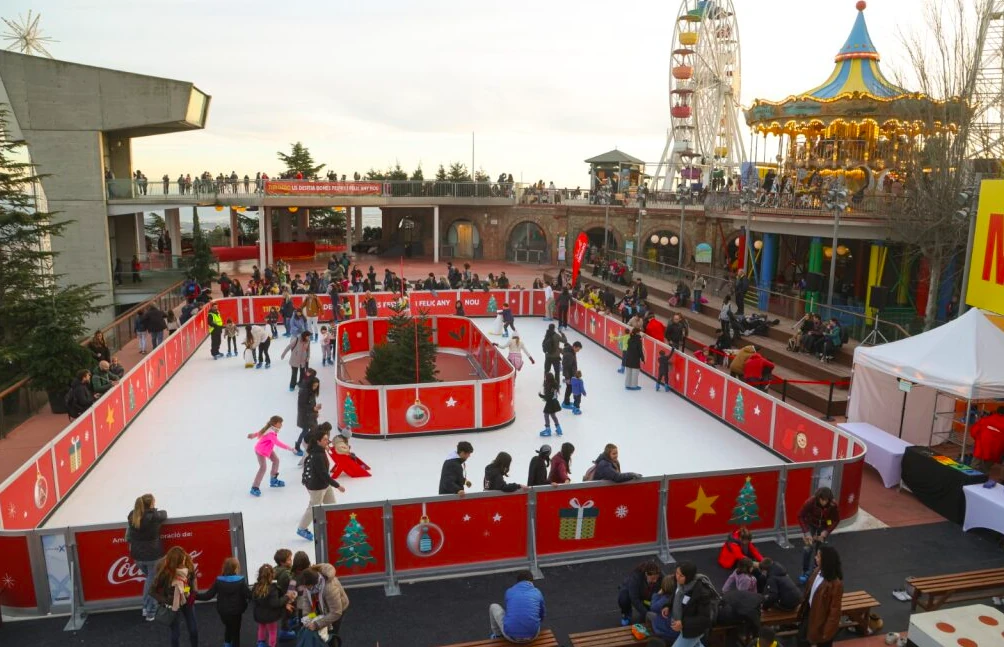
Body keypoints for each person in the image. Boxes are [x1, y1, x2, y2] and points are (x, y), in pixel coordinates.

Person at [296, 427, 345, 541]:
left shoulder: (319, 450)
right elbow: (323, 474)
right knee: (313, 508)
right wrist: (338, 486)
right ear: (318, 441)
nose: (327, 441)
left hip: (324, 484)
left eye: (327, 439)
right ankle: (301, 528)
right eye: (324, 439)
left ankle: (333, 525)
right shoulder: (318, 455)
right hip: (317, 487)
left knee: (332, 505)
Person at [126, 493, 167, 621]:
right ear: (151, 504)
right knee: (151, 583)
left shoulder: (133, 516)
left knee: (149, 581)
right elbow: (164, 514)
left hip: (138, 556)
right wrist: (153, 510)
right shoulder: (154, 516)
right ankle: (150, 611)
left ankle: (146, 607)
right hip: (153, 556)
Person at [196, 557, 251, 647]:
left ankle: (227, 644)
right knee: (236, 633)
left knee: (228, 627)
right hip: (236, 612)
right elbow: (249, 595)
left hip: (223, 612)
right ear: (236, 568)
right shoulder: (241, 581)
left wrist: (193, 595)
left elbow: (207, 596)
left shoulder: (218, 581)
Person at [151, 546, 199, 647]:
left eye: (184, 560)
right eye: (181, 562)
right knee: (175, 633)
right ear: (174, 563)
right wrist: (165, 600)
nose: (183, 564)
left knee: (193, 630)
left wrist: (192, 593)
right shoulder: (164, 572)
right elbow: (152, 591)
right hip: (172, 604)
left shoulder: (188, 563)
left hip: (186, 600)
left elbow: (192, 579)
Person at [659, 561, 716, 647]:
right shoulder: (679, 582)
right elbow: (675, 594)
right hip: (683, 627)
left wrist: (683, 623)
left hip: (693, 631)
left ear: (689, 576)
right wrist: (668, 605)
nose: (677, 577)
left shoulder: (701, 592)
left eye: (681, 575)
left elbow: (705, 618)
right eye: (677, 573)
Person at [797, 545, 844, 647]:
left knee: (823, 643)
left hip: (823, 619)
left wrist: (828, 632)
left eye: (818, 556)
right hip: (810, 612)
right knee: (801, 640)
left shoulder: (835, 584)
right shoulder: (817, 570)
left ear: (825, 560)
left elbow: (835, 610)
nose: (815, 558)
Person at [489, 570, 546, 642]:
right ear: (531, 582)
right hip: (533, 636)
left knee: (493, 606)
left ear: (518, 582)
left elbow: (508, 611)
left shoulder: (509, 591)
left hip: (511, 637)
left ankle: (498, 635)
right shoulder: (537, 592)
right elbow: (542, 615)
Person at [797, 487, 840, 583]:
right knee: (808, 549)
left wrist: (826, 532)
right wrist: (806, 532)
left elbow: (836, 520)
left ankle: (816, 571)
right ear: (818, 498)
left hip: (824, 526)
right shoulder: (810, 502)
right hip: (811, 525)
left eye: (826, 500)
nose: (823, 502)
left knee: (820, 551)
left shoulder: (833, 505)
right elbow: (800, 515)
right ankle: (805, 572)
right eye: (821, 500)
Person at [298, 564, 349, 643]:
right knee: (321, 631)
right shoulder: (309, 582)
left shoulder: (330, 588)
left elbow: (336, 612)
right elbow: (306, 599)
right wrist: (306, 617)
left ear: (312, 584)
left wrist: (316, 624)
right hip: (320, 608)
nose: (304, 588)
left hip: (336, 610)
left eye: (305, 586)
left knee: (331, 632)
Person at [248, 415, 294, 497]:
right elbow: (277, 443)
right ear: (276, 424)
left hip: (267, 449)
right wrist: (289, 448)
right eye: (280, 423)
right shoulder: (271, 433)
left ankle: (273, 480)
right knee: (263, 467)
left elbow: (260, 432)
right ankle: (254, 487)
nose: (281, 425)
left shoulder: (270, 429)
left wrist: (253, 435)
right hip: (260, 451)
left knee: (276, 460)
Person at [251, 563, 294, 647]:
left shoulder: (255, 586)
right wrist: (286, 597)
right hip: (271, 616)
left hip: (259, 614)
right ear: (272, 575)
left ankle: (261, 643)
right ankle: (272, 645)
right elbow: (275, 603)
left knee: (261, 628)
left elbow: (254, 600)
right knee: (272, 631)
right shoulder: (272, 589)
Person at [618, 561, 663, 625]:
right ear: (646, 574)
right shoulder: (635, 578)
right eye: (653, 578)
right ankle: (626, 614)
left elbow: (668, 586)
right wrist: (647, 613)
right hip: (631, 592)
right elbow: (634, 599)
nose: (655, 581)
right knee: (623, 598)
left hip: (648, 596)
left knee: (644, 619)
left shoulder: (661, 576)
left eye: (657, 578)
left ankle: (646, 610)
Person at [295, 376, 321, 455]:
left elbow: (312, 403)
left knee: (314, 429)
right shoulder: (304, 392)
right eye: (314, 386)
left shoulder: (311, 392)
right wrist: (314, 408)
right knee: (306, 430)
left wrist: (316, 410)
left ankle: (311, 445)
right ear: (310, 384)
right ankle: (297, 446)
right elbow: (302, 405)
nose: (315, 387)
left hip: (311, 414)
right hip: (305, 416)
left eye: (317, 386)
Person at [539, 372, 563, 437]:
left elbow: (549, 396)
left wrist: (541, 396)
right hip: (554, 402)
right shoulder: (554, 384)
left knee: (546, 414)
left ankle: (548, 429)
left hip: (550, 403)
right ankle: (559, 428)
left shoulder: (550, 385)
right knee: (553, 415)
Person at [561, 341, 582, 409]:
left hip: (571, 374)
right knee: (569, 388)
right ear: (574, 347)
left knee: (569, 388)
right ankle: (566, 402)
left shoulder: (572, 352)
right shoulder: (569, 354)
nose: (578, 351)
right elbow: (566, 366)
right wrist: (567, 378)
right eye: (578, 349)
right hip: (569, 375)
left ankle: (566, 401)